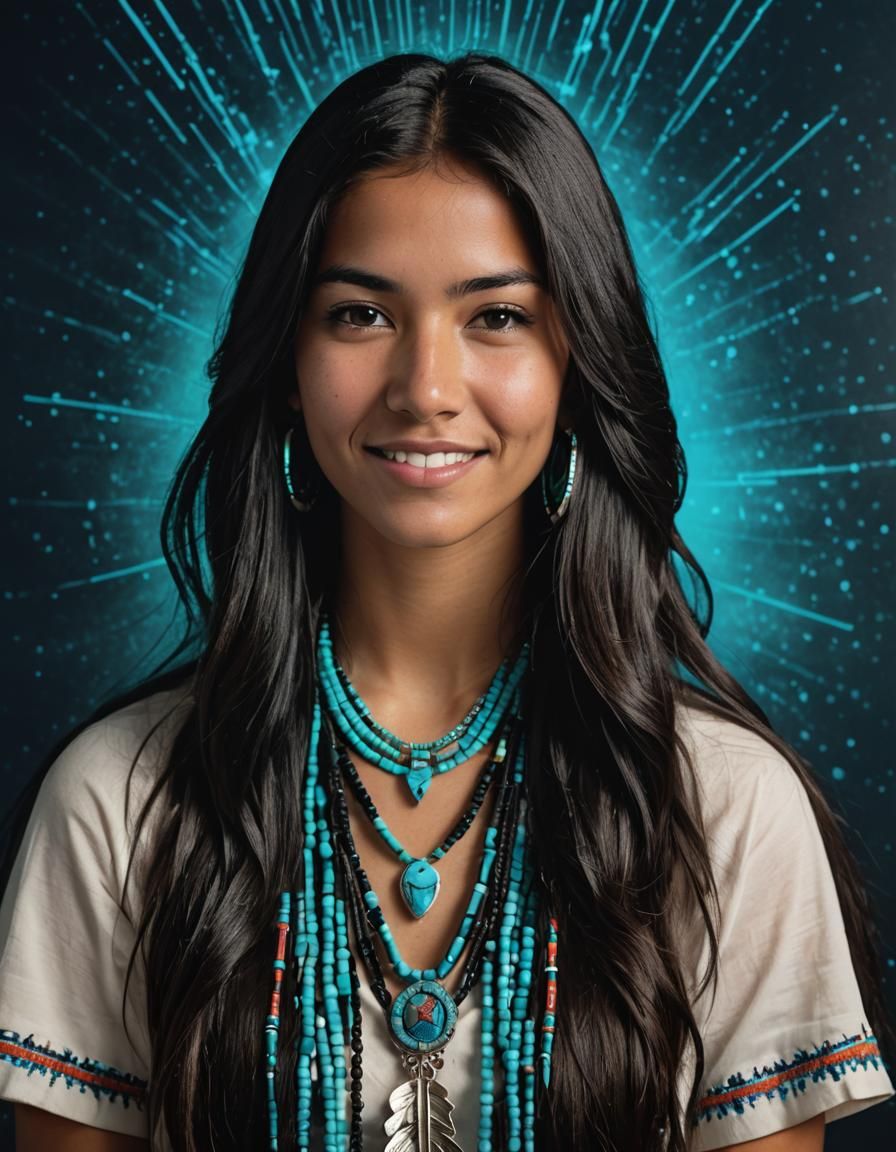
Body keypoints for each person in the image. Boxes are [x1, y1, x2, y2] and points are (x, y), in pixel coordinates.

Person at [0, 51, 891, 1152]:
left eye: (497, 319)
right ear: (285, 358)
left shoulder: (724, 812)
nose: (424, 388)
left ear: (577, 359)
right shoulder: (122, 803)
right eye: (358, 315)